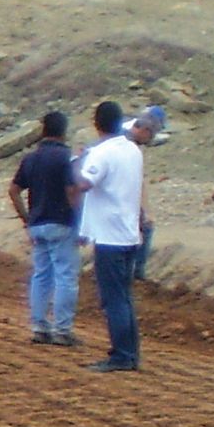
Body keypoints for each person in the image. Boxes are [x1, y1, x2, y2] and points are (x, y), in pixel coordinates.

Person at [75, 100, 146, 372]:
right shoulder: (133, 150)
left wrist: (77, 162)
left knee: (113, 298)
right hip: (128, 233)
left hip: (109, 236)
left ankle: (122, 355)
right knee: (124, 296)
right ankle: (130, 352)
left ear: (96, 124)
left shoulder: (101, 153)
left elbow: (84, 184)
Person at [7, 109, 79, 345]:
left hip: (37, 225)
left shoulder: (30, 159)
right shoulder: (66, 158)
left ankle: (39, 326)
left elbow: (14, 190)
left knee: (41, 276)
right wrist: (79, 220)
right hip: (61, 223)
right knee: (65, 276)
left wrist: (26, 219)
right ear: (64, 131)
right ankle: (62, 330)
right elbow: (71, 191)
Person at [124, 105, 165, 281]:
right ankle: (135, 274)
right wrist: (145, 211)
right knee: (145, 228)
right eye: (153, 133)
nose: (153, 138)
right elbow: (135, 180)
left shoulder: (125, 137)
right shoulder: (128, 145)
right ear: (147, 128)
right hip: (118, 200)